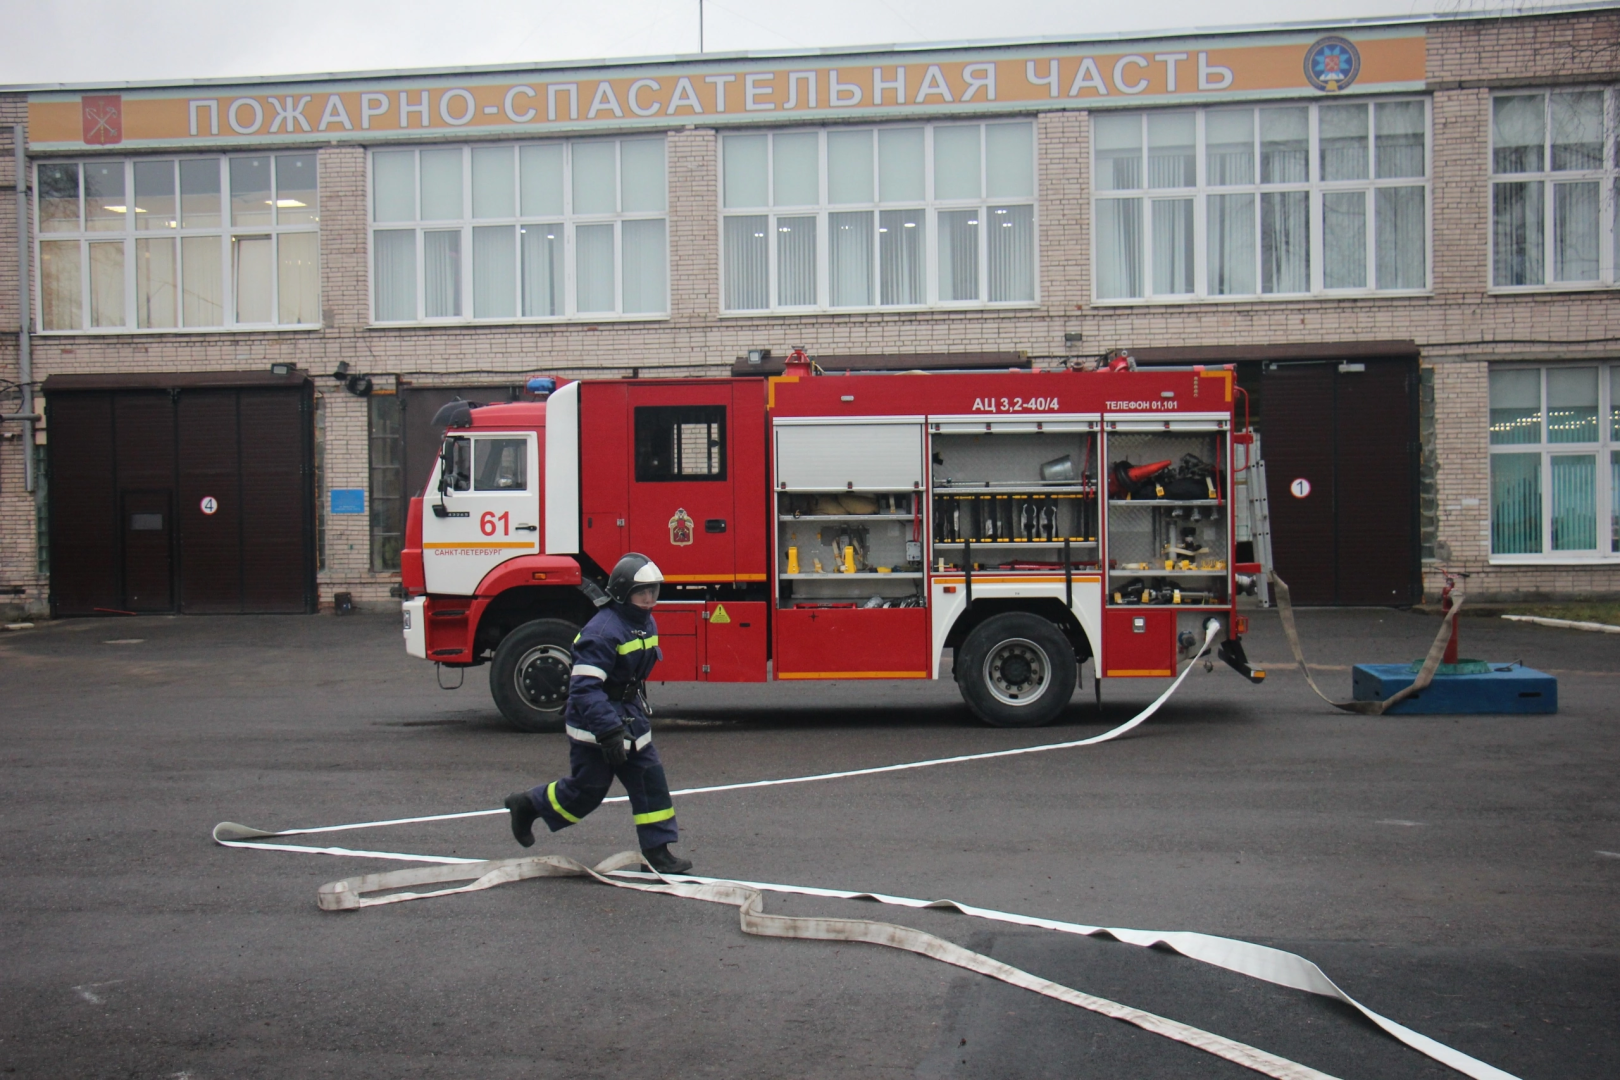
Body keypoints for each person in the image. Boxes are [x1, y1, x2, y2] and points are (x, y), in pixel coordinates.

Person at [504, 553, 693, 875]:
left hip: (628, 715)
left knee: (650, 781)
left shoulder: (644, 622)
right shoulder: (602, 632)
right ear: (622, 593)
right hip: (594, 722)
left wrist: (627, 715)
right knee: (586, 792)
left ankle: (657, 853)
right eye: (642, 593)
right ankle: (528, 804)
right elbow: (584, 689)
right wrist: (608, 731)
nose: (649, 600)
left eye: (653, 592)